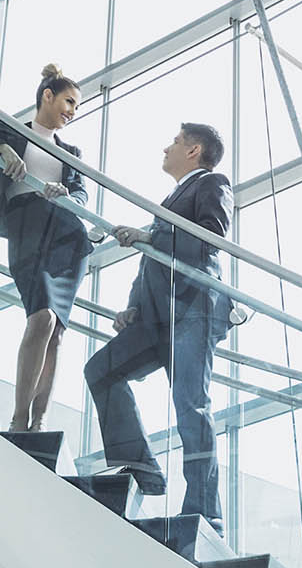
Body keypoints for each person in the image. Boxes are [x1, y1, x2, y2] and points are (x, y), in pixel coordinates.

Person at [84, 122, 234, 532]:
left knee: (191, 406)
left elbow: (211, 238)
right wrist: (132, 306)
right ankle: (140, 465)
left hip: (192, 310)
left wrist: (151, 237)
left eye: (175, 142)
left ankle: (206, 513)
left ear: (194, 150)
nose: (166, 147)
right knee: (100, 370)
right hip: (154, 315)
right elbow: (152, 261)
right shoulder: (170, 198)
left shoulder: (212, 183)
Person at [0, 65, 92, 432]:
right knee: (42, 317)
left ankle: (40, 420)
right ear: (48, 95)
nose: (72, 111)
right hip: (27, 229)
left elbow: (82, 193)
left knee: (57, 332)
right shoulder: (13, 131)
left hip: (67, 238)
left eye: (76, 107)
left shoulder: (71, 151)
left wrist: (66, 194)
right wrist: (4, 150)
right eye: (69, 102)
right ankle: (19, 417)